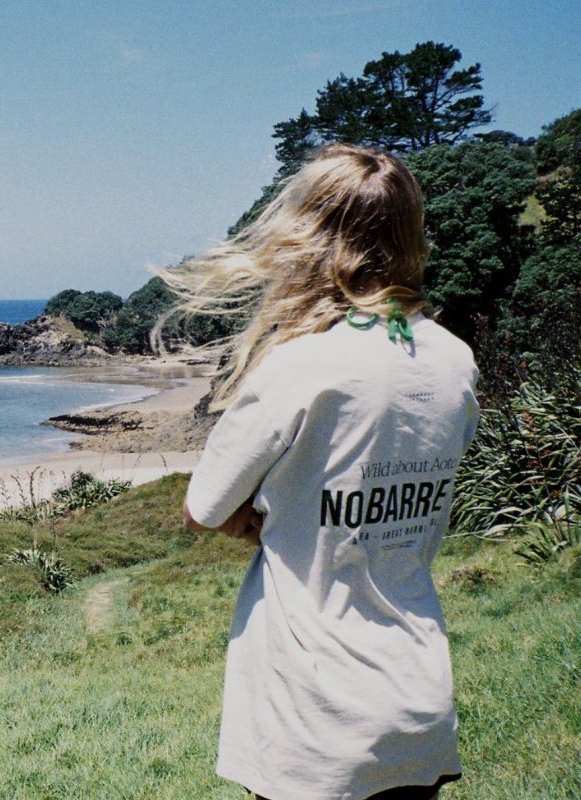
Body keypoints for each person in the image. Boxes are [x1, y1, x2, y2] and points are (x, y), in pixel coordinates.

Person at [162, 143, 479, 800]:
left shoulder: (300, 366)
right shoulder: (456, 362)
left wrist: (258, 522)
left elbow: (204, 508)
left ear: (312, 236)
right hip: (417, 704)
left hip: (315, 719)